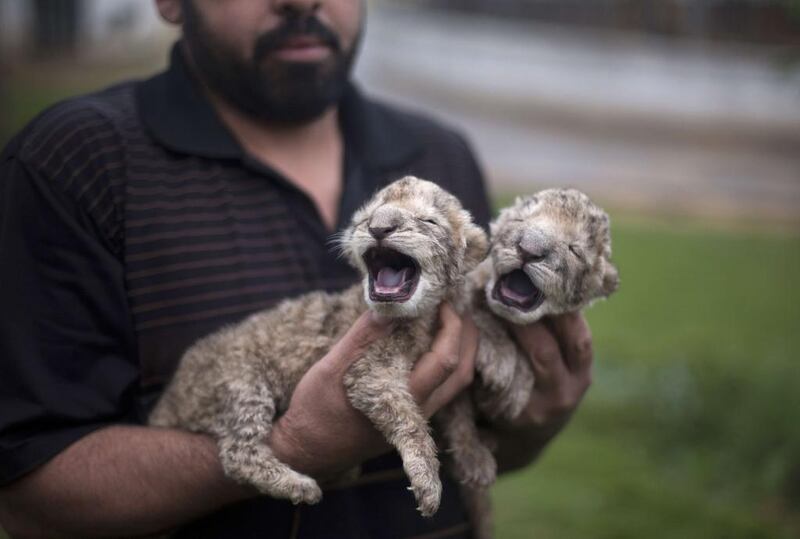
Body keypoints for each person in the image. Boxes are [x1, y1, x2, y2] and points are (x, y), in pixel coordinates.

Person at [0, 0, 594, 537]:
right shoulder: (73, 164)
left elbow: (480, 439)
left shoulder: (441, 157)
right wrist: (294, 446)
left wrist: (533, 422)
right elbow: (26, 496)